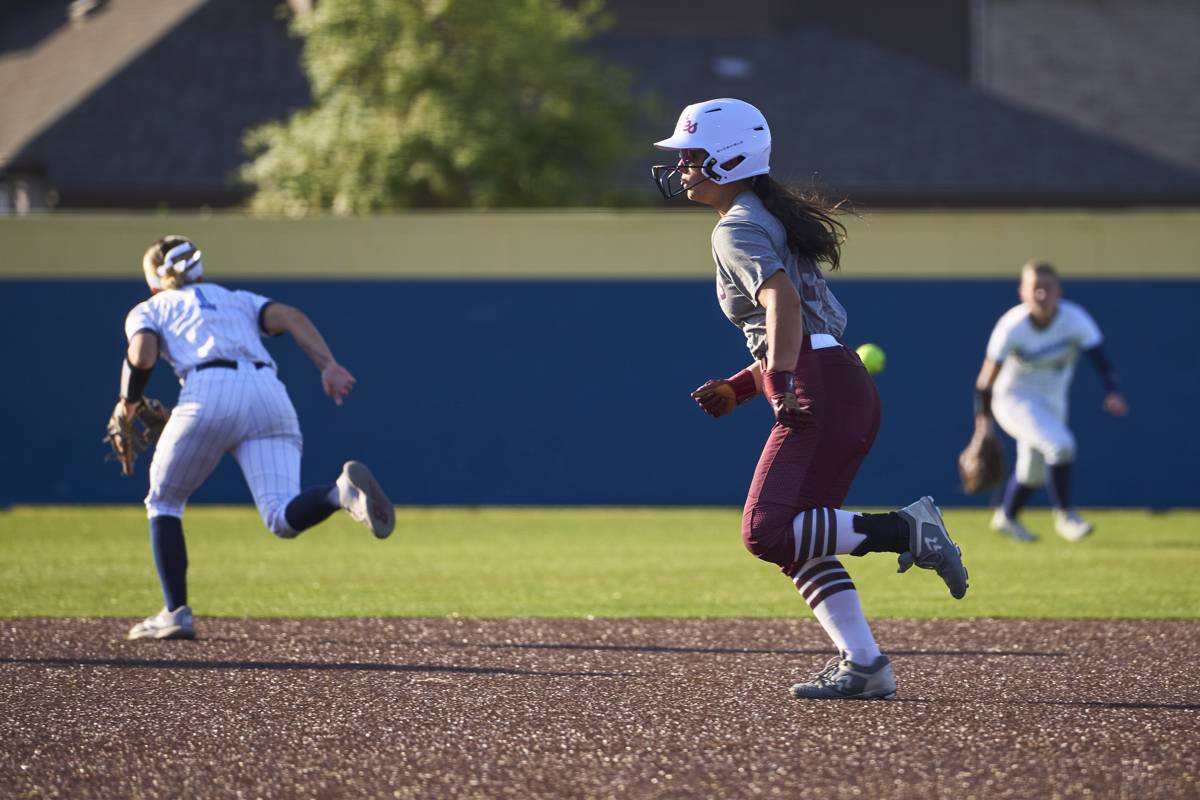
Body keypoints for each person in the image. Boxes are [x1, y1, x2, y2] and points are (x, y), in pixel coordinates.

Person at [652, 98, 969, 701]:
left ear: (729, 158)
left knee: (765, 531)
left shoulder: (736, 227)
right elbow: (797, 325)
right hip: (840, 379)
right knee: (801, 536)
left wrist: (780, 382)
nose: (682, 168)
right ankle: (865, 664)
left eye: (691, 156)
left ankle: (907, 530)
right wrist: (742, 386)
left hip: (820, 381)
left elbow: (782, 304)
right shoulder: (764, 216)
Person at [118, 235, 395, 641]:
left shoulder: (151, 307)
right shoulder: (236, 299)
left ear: (155, 280)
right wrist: (329, 365)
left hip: (208, 388)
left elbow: (142, 355)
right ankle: (338, 494)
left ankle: (175, 611)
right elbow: (291, 316)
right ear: (199, 271)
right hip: (269, 393)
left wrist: (128, 402)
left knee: (164, 501)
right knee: (281, 516)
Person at [975, 260, 1128, 542]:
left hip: (1052, 401)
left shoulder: (1074, 319)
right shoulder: (1012, 326)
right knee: (1061, 445)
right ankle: (1066, 516)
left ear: (1059, 290)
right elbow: (986, 381)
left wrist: (1112, 390)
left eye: (1047, 287)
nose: (1042, 294)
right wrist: (982, 427)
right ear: (1022, 292)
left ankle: (1006, 516)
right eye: (1035, 288)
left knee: (1032, 473)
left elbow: (1100, 357)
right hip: (1013, 399)